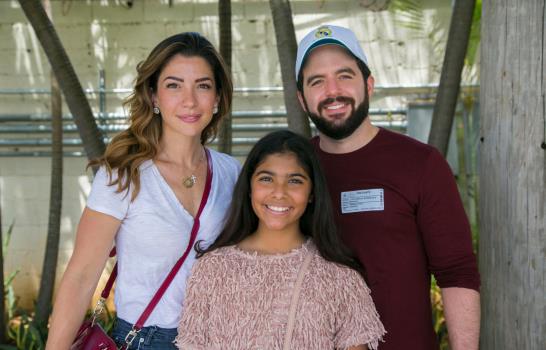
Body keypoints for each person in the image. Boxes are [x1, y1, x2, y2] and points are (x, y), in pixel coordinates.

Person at [45, 32, 240, 350]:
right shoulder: (123, 174)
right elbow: (81, 276)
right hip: (145, 340)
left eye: (203, 85)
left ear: (217, 98)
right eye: (174, 85)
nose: (189, 100)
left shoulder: (233, 173)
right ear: (153, 96)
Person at [294, 24, 481, 350]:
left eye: (345, 75)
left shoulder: (420, 163)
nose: (333, 90)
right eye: (317, 81)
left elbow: (456, 272)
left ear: (369, 84)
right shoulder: (293, 171)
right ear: (301, 98)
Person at [175, 130, 386, 350]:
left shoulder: (340, 278)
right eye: (266, 178)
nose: (279, 193)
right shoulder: (212, 270)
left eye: (295, 181)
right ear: (249, 187)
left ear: (312, 192)